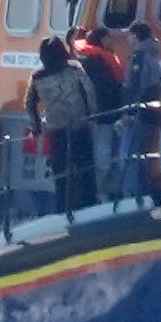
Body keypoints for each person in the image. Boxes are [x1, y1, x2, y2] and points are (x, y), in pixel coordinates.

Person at [26, 38, 99, 212]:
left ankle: (62, 207)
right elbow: (89, 92)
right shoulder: (74, 68)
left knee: (60, 171)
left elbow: (29, 103)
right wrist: (93, 116)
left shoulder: (37, 76)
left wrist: (35, 127)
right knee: (85, 166)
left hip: (55, 127)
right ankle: (88, 203)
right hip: (79, 123)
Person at [71, 26, 126, 199]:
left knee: (107, 154)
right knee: (103, 155)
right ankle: (101, 192)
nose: (112, 41)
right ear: (102, 40)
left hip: (106, 116)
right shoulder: (97, 63)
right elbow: (104, 90)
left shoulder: (91, 61)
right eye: (108, 38)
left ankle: (105, 191)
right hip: (103, 117)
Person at [116, 22, 161, 197]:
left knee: (127, 155)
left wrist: (129, 113)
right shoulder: (155, 56)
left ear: (135, 36)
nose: (128, 39)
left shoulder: (139, 57)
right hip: (152, 113)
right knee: (143, 155)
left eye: (129, 35)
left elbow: (135, 87)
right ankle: (146, 193)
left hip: (139, 114)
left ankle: (132, 194)